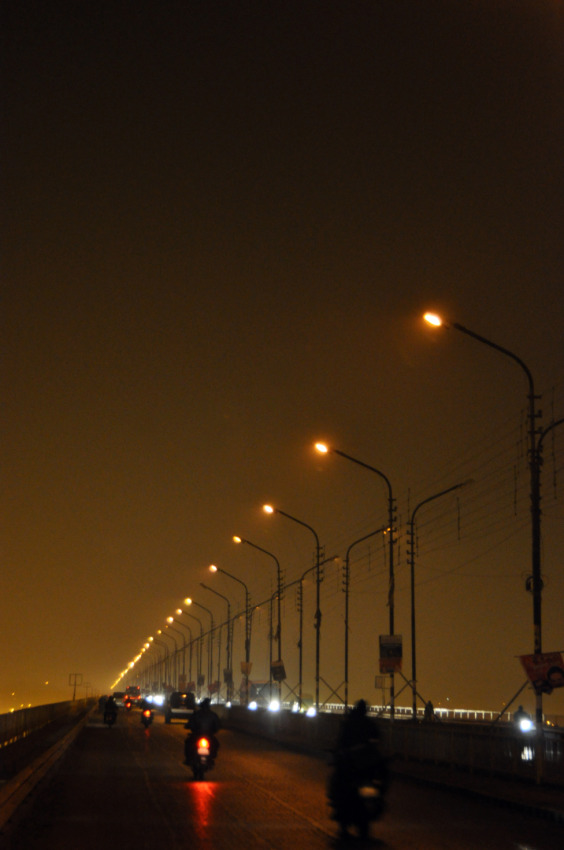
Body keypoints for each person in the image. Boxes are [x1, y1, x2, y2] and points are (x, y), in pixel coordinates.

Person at [184, 698, 220, 763]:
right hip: (208, 735)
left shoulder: (196, 714)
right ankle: (211, 757)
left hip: (197, 734)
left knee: (188, 743)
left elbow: (190, 723)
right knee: (216, 744)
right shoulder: (213, 715)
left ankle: (188, 759)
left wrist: (187, 726)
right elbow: (217, 726)